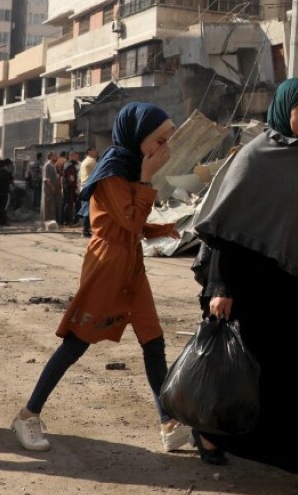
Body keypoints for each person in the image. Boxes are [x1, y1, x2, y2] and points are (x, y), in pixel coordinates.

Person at [193, 78, 298, 494]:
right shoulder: (254, 157)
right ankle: (215, 433)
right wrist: (221, 287)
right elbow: (225, 229)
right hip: (258, 289)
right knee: (263, 378)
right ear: (283, 108)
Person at [12, 103, 187, 452]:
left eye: (167, 141)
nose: (163, 149)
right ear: (139, 137)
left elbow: (130, 223)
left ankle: (167, 421)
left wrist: (162, 228)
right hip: (107, 264)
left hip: (130, 263)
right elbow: (129, 221)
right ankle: (27, 415)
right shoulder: (112, 172)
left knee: (153, 341)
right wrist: (148, 179)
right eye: (159, 140)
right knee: (77, 341)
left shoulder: (132, 169)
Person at [0, 159, 14, 227]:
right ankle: (3, 221)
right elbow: (11, 182)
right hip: (5, 192)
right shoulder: (7, 173)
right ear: (5, 165)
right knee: (4, 208)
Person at [41, 152, 60, 224]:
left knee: (52, 205)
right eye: (55, 155)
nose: (56, 157)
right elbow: (46, 179)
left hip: (54, 189)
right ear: (51, 157)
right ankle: (46, 220)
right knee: (47, 204)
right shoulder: (47, 166)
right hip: (48, 189)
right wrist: (52, 187)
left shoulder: (53, 165)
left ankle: (52, 220)